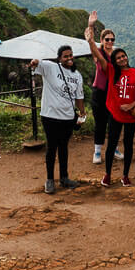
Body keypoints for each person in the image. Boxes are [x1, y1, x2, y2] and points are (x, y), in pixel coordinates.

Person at [28, 46, 86, 194]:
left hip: (68, 117)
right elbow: (37, 63)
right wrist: (34, 62)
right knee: (51, 148)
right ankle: (49, 180)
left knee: (64, 147)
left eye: (71, 55)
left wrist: (82, 113)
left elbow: (79, 97)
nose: (69, 58)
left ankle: (64, 178)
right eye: (65, 56)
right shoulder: (51, 67)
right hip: (50, 116)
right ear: (59, 58)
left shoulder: (77, 75)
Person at [100, 46, 135, 187]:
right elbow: (100, 58)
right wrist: (91, 40)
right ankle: (107, 174)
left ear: (127, 57)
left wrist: (132, 105)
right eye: (118, 58)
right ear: (115, 61)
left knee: (128, 144)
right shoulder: (112, 71)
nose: (122, 59)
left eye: (123, 56)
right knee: (112, 144)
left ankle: (125, 176)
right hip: (115, 113)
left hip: (131, 115)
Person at [83, 12, 117, 164]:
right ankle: (97, 151)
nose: (110, 41)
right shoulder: (99, 53)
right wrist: (90, 25)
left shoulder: (117, 54)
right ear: (102, 40)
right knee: (100, 122)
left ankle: (114, 147)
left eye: (112, 39)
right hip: (100, 92)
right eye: (107, 39)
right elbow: (91, 43)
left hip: (113, 92)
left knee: (114, 121)